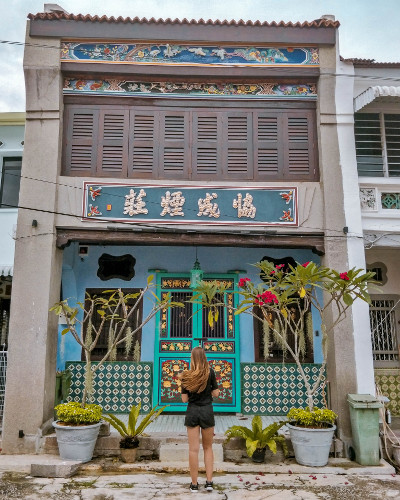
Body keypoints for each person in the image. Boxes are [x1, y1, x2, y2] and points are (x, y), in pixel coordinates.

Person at [180, 346, 220, 493]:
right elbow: (216, 393)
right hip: (207, 411)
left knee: (193, 450)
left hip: (192, 412)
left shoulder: (186, 375)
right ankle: (209, 482)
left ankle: (194, 484)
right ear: (204, 358)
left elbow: (184, 399)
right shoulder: (210, 373)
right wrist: (211, 389)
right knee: (208, 448)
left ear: (192, 358)